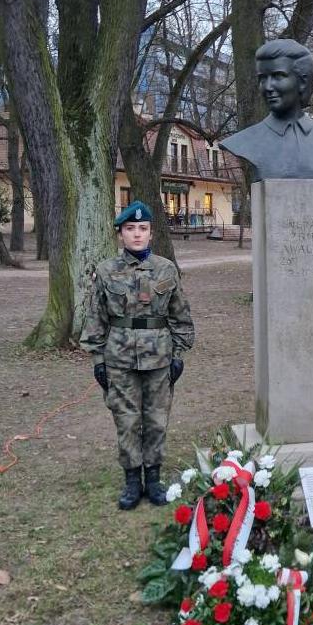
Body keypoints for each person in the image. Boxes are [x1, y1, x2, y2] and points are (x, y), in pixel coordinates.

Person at [80, 201, 195, 509]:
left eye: (143, 228)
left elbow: (180, 316)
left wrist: (178, 355)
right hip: (119, 359)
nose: (137, 234)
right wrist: (98, 360)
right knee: (127, 420)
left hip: (159, 359)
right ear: (121, 234)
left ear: (151, 233)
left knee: (156, 419)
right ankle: (132, 480)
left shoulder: (166, 269)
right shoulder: (106, 271)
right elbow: (95, 318)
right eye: (130, 229)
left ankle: (153, 478)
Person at [219, 38, 313, 181]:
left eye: (278, 76)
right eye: (263, 78)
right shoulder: (245, 141)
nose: (268, 87)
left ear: (303, 81)